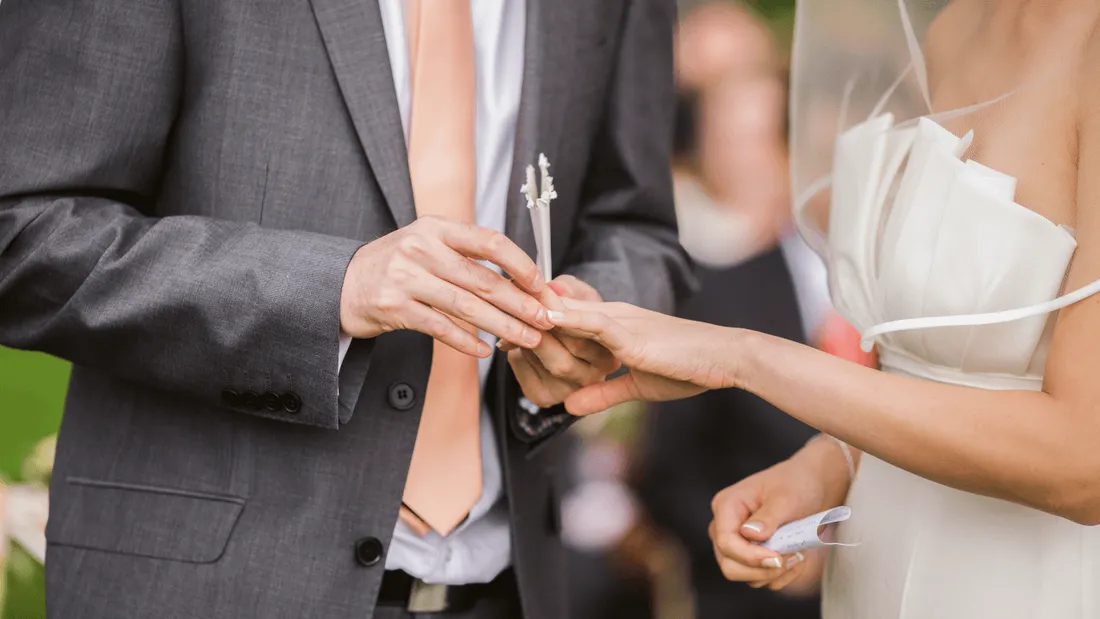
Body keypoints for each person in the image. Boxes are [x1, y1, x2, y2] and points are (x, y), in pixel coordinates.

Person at [0, 0, 692, 617]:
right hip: (211, 584)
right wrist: (334, 288)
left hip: (509, 584)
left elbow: (636, 225)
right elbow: (25, 231)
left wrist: (596, 306)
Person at [546, 1, 1100, 617]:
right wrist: (830, 461)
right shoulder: (955, 26)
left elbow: (1086, 462)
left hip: (1027, 582)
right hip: (876, 573)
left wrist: (743, 356)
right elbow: (930, 364)